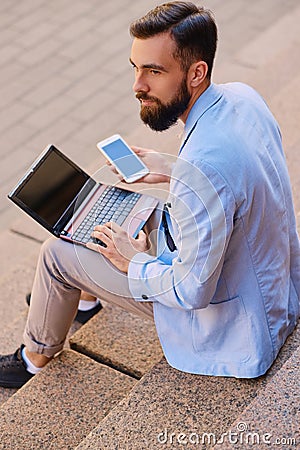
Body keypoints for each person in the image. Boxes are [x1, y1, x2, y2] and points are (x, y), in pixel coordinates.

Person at [0, 1, 299, 388]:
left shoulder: (202, 171)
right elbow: (232, 181)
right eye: (136, 67)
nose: (138, 85)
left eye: (154, 72)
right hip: (267, 281)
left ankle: (33, 358)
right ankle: (84, 297)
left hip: (237, 325)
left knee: (55, 254)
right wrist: (169, 167)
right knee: (118, 217)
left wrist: (133, 261)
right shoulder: (243, 98)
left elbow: (192, 291)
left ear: (196, 73)